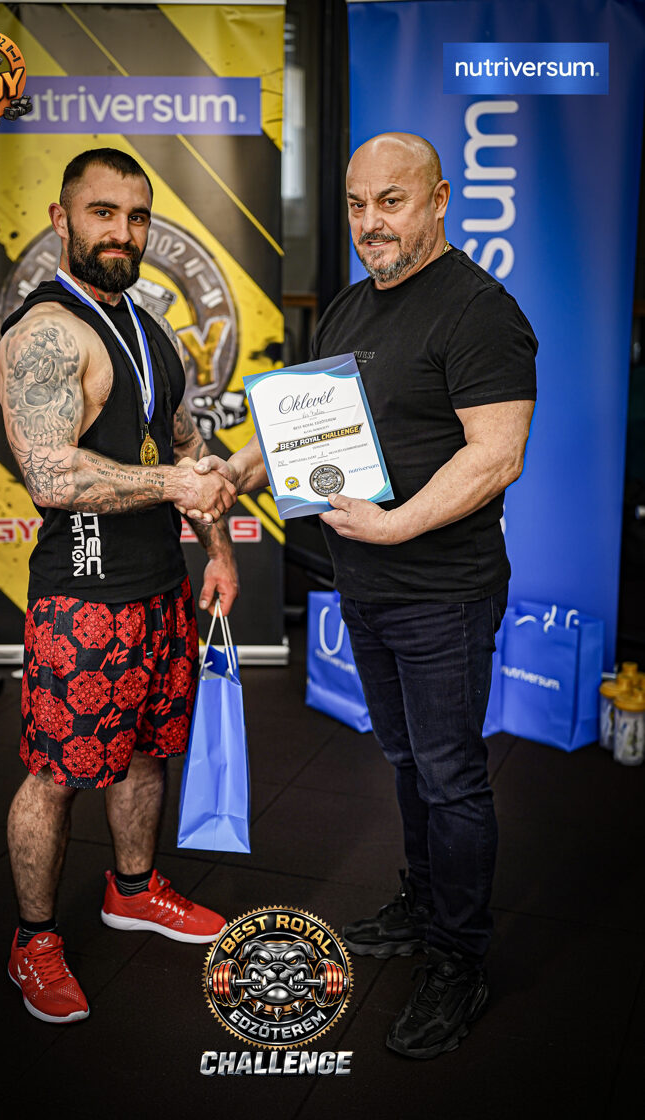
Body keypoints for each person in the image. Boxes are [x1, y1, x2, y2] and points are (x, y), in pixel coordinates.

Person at [191, 133, 537, 1059]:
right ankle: (425, 906)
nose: (370, 222)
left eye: (392, 201)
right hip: (368, 587)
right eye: (356, 204)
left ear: (439, 199)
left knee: (452, 776)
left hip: (444, 593)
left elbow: (497, 454)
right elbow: (300, 428)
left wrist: (394, 526)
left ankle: (458, 959)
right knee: (407, 761)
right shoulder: (348, 307)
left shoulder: (481, 311)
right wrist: (234, 470)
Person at [0, 148, 239, 1025]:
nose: (122, 233)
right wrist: (175, 485)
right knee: (56, 776)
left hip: (160, 588)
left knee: (144, 750)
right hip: (82, 599)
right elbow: (51, 475)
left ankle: (132, 889)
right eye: (103, 213)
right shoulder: (47, 332)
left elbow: (186, 446)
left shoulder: (150, 324)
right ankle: (33, 941)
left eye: (137, 217)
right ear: (62, 219)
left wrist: (219, 550)